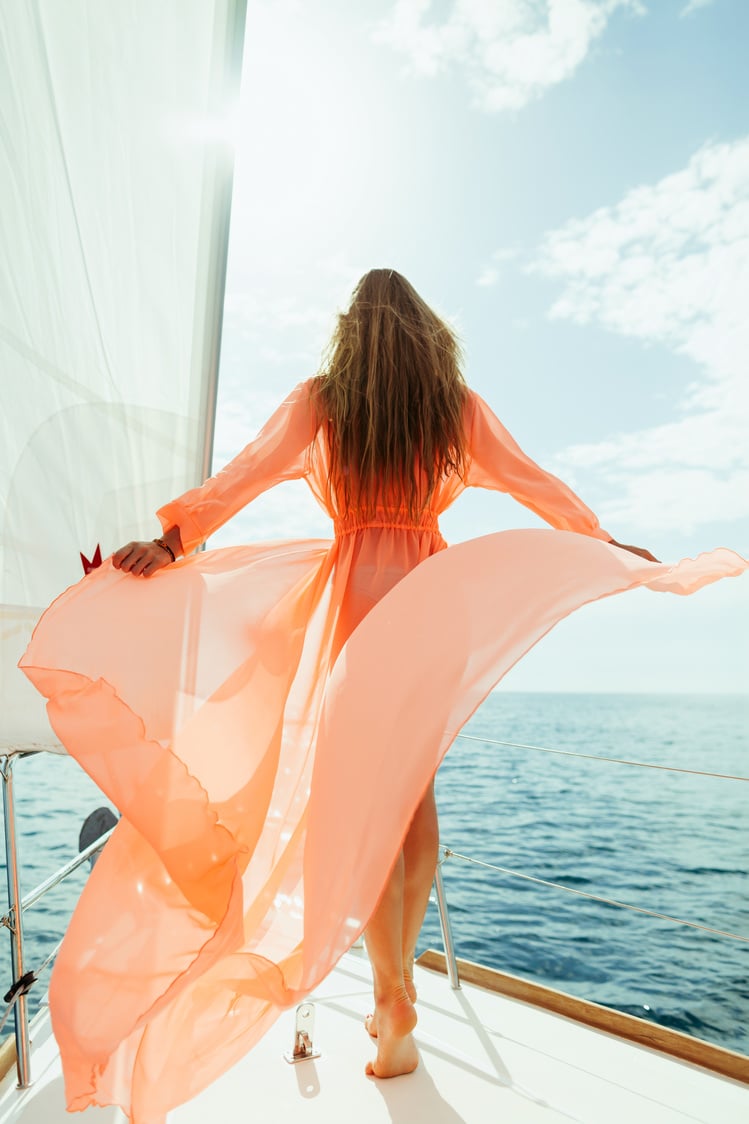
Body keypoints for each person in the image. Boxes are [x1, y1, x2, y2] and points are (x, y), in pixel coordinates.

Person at [20, 269, 746, 1120]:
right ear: (426, 331)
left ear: (349, 331)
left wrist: (172, 541)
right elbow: (532, 483)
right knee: (411, 798)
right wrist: (602, 541)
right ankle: (399, 995)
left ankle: (388, 989)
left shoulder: (326, 401)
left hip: (358, 608)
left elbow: (245, 476)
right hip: (432, 607)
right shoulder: (453, 407)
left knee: (361, 803)